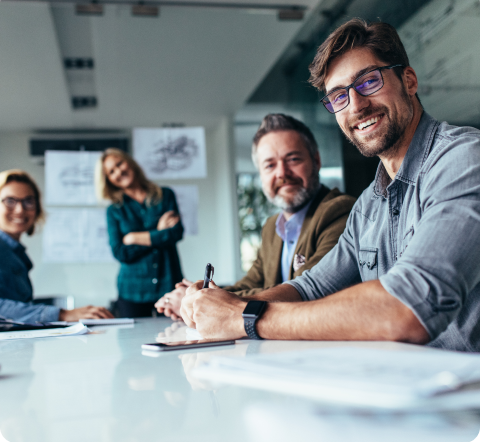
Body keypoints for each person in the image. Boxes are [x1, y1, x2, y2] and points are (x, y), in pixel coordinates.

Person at [179, 18, 480, 352]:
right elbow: (310, 288)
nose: (356, 105)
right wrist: (222, 305)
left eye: (369, 81)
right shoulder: (369, 205)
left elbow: (408, 308)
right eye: (339, 96)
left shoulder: (463, 159)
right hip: (405, 388)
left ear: (408, 80)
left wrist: (247, 317)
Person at [156, 114, 355, 320]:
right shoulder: (272, 227)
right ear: (261, 174)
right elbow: (251, 283)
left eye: (293, 159)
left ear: (316, 160)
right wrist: (201, 295)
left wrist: (202, 300)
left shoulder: (339, 211)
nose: (282, 173)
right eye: (270, 165)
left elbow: (307, 289)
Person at [0, 169, 113, 323]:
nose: (20, 209)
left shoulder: (16, 252)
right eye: (10, 201)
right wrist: (62, 314)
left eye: (28, 201)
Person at [97, 148, 183, 318]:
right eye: (111, 171)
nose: (119, 171)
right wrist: (158, 232)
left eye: (119, 164)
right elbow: (120, 252)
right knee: (131, 343)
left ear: (129, 162)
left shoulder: (165, 195)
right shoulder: (114, 210)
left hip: (168, 283)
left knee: (175, 337)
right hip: (132, 291)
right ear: (108, 180)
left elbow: (176, 233)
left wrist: (133, 237)